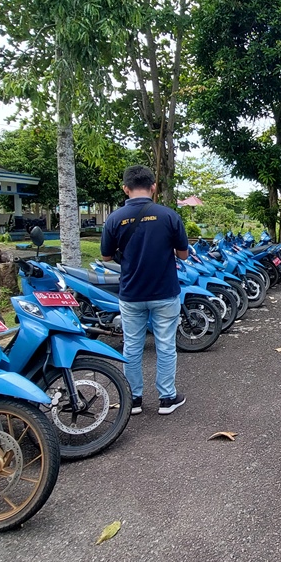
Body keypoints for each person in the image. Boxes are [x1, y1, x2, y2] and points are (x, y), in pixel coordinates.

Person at [101, 165, 189, 416]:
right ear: (153, 187)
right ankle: (167, 398)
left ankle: (134, 399)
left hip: (131, 294)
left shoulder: (114, 218)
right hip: (164, 292)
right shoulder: (169, 216)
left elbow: (106, 256)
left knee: (132, 347)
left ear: (125, 189)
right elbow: (183, 254)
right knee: (165, 346)